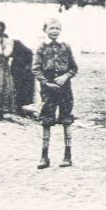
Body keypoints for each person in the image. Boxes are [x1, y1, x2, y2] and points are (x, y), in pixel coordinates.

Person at [32, 17, 78, 169]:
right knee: (47, 120)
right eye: (51, 28)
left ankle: (68, 155)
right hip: (48, 89)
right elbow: (36, 69)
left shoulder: (66, 47)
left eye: (57, 28)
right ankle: (44, 156)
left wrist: (65, 77)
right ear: (45, 30)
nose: (54, 31)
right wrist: (47, 83)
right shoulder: (41, 48)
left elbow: (73, 68)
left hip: (64, 88)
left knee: (66, 119)